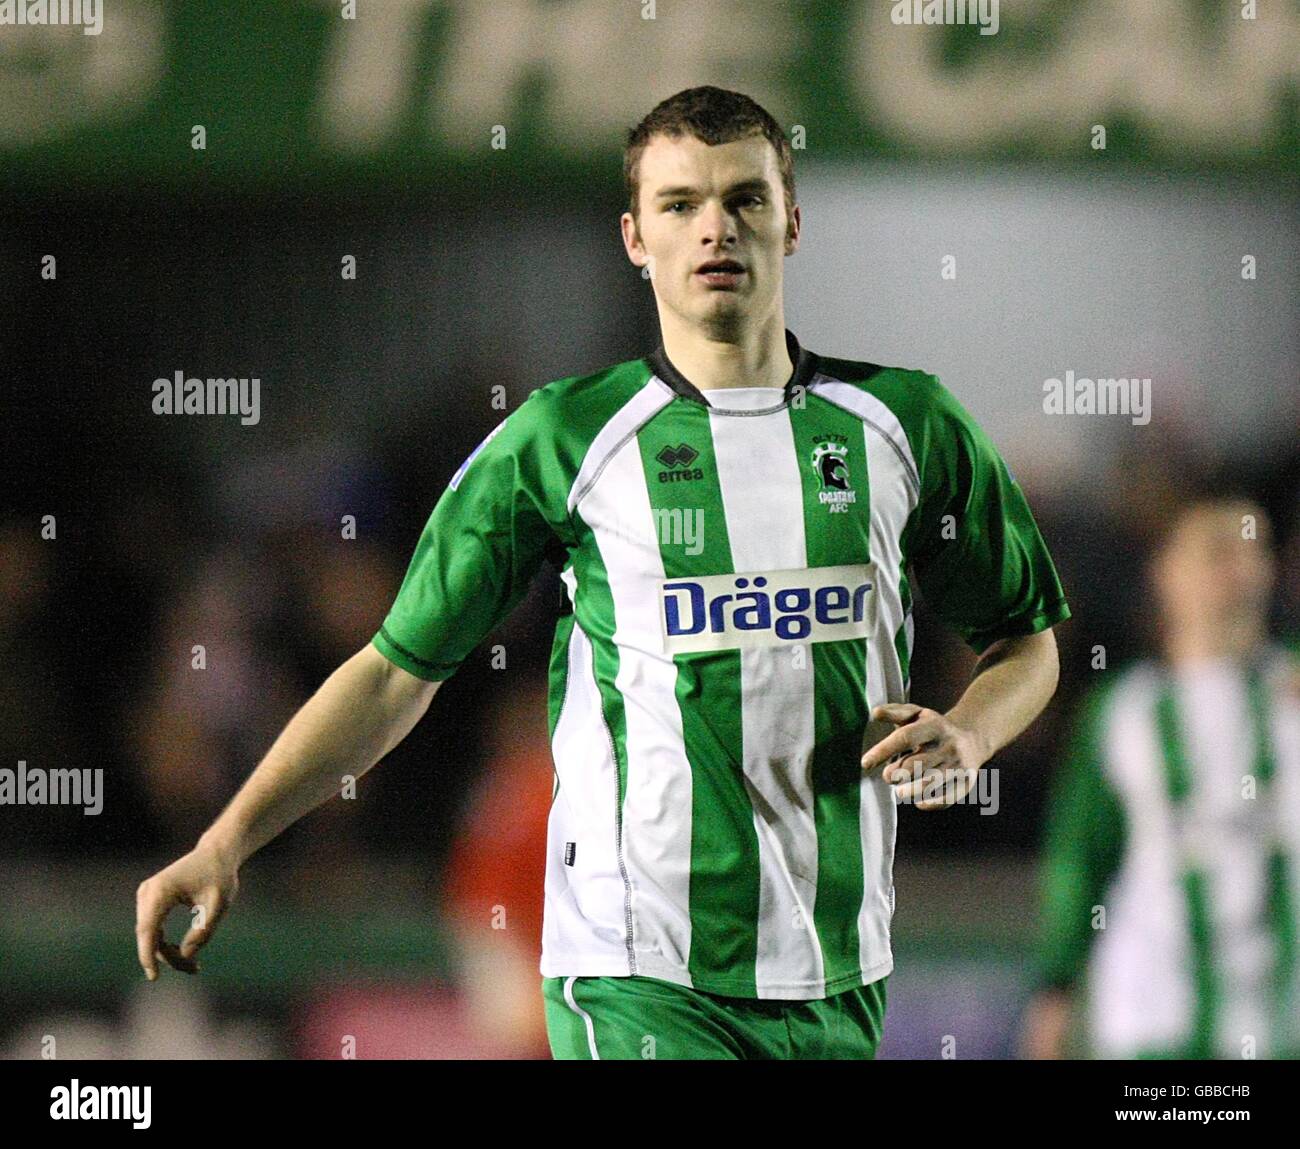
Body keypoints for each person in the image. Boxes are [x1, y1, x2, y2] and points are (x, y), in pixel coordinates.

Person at [135, 86, 1069, 1060]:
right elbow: (391, 672)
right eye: (680, 205)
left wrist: (970, 732)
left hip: (837, 968)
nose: (715, 228)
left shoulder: (905, 425)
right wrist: (228, 839)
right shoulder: (563, 439)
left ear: (792, 222)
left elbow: (1025, 642)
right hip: (638, 971)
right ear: (635, 237)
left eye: (744, 199)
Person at [1020, 496, 1300, 1059]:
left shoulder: (1290, 693)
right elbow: (1079, 858)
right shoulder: (1123, 709)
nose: (1239, 570)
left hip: (1282, 1021)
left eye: (1253, 550)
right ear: (1166, 572)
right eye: (1217, 552)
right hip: (1152, 1021)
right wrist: (1055, 989)